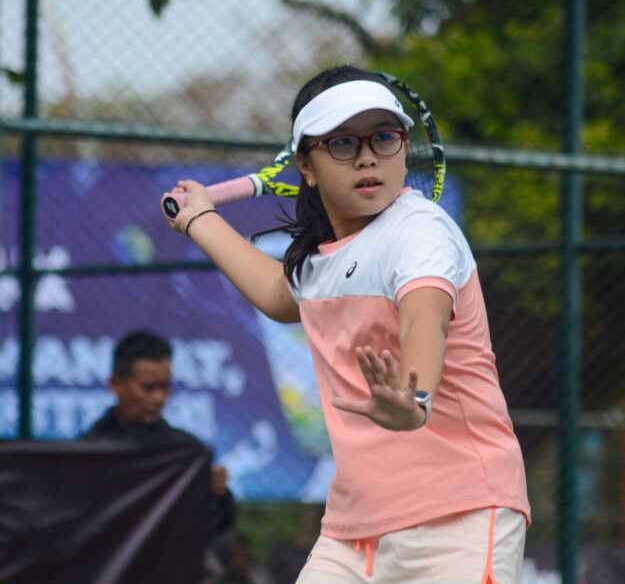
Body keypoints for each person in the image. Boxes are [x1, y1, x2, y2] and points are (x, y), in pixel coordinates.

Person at [164, 65, 530, 583]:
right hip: (354, 530)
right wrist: (200, 217)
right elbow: (279, 293)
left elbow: (423, 318)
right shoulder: (324, 259)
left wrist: (415, 396)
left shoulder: (420, 232)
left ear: (404, 148)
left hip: (460, 514)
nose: (366, 156)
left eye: (383, 137)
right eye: (342, 143)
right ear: (305, 166)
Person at [82, 330, 236, 540]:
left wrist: (218, 495)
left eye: (165, 387)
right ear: (116, 384)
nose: (159, 398)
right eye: (148, 388)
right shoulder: (88, 452)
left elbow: (212, 528)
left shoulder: (185, 451)